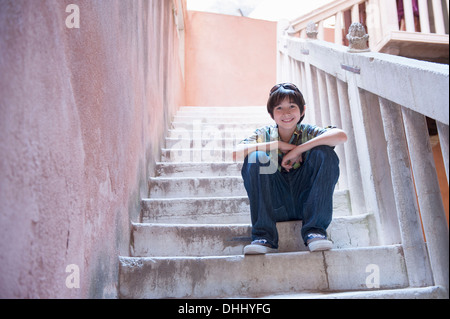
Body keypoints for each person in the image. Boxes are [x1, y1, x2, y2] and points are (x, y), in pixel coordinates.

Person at [233, 83, 347, 254]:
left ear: (302, 111)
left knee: (325, 153)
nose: (286, 113)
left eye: (292, 106)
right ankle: (263, 236)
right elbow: (236, 153)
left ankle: (315, 232)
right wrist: (277, 145)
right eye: (279, 108)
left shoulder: (308, 132)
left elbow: (341, 135)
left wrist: (298, 149)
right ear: (271, 114)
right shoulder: (264, 134)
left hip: (307, 203)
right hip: (276, 204)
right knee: (255, 157)